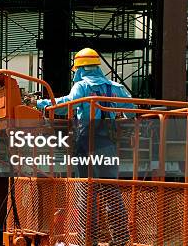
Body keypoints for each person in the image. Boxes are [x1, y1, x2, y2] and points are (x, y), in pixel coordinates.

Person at [32, 48, 133, 246]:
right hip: (107, 145)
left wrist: (41, 104)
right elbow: (131, 110)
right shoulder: (115, 87)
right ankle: (120, 238)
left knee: (86, 192)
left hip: (86, 144)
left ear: (79, 69)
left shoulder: (82, 86)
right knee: (111, 191)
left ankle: (88, 239)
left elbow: (66, 104)